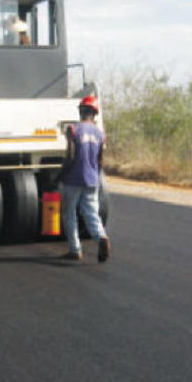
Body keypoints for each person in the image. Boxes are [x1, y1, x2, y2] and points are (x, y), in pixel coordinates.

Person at [58, 95, 111, 262]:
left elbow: (71, 155)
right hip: (92, 179)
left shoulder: (73, 129)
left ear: (81, 111)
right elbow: (100, 159)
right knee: (91, 212)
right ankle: (101, 237)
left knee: (69, 213)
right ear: (94, 114)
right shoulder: (100, 134)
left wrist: (60, 175)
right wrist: (96, 176)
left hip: (73, 179)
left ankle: (75, 250)